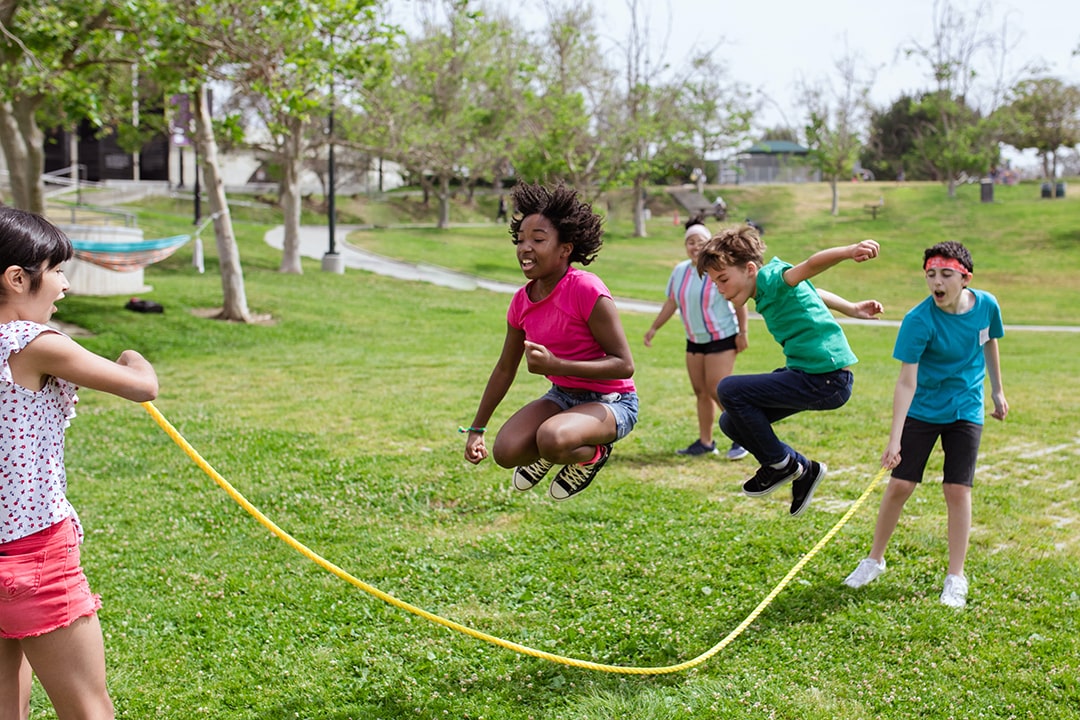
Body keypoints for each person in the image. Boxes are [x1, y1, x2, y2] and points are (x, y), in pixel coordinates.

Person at [0, 208, 159, 719]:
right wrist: (133, 354)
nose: (65, 284)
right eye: (58, 269)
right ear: (18, 278)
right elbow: (142, 387)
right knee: (89, 708)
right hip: (33, 555)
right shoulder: (32, 343)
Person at [844, 241, 1007, 608]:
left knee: (957, 490)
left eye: (946, 274)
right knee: (900, 484)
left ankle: (955, 576)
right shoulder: (918, 320)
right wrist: (895, 439)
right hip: (924, 408)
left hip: (965, 408)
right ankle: (874, 560)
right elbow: (906, 382)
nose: (937, 282)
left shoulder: (986, 306)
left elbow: (990, 342)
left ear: (964, 278)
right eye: (931, 274)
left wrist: (997, 391)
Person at [463, 182, 637, 501]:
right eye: (521, 240)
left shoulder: (586, 289)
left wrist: (557, 365)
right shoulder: (521, 302)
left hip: (613, 402)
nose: (525, 248)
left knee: (552, 438)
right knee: (506, 451)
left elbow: (624, 365)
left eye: (538, 240)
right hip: (562, 397)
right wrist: (477, 428)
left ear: (564, 249)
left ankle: (592, 455)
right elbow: (505, 368)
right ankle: (551, 451)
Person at [696, 224, 883, 516]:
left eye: (723, 279)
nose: (720, 290)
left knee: (728, 389)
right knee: (731, 423)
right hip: (808, 375)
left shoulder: (772, 277)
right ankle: (804, 470)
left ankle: (781, 465)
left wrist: (849, 251)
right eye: (715, 284)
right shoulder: (766, 290)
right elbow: (813, 290)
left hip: (827, 378)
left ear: (749, 269)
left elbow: (810, 267)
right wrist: (851, 308)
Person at [644, 214, 749, 459]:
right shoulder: (680, 271)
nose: (695, 246)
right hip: (695, 340)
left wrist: (743, 332)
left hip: (721, 337)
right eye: (690, 242)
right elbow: (672, 302)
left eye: (700, 241)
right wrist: (654, 328)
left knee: (717, 390)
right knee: (700, 391)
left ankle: (743, 438)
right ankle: (705, 442)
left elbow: (738, 302)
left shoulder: (718, 270)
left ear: (709, 243)